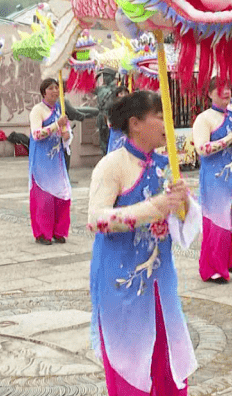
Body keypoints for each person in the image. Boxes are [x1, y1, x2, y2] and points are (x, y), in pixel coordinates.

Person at [88, 90, 197, 395]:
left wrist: (182, 204)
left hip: (161, 282)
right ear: (135, 123)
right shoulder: (112, 165)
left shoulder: (166, 164)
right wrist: (154, 208)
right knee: (131, 360)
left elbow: (180, 222)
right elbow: (95, 219)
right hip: (122, 281)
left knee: (167, 358)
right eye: (159, 116)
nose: (167, 123)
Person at [193, 79, 232, 283]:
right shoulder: (204, 119)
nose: (226, 92)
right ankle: (212, 268)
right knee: (218, 223)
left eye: (229, 88)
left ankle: (229, 259)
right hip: (215, 178)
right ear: (209, 94)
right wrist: (229, 139)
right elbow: (202, 149)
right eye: (221, 89)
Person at [28, 78, 72, 245]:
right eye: (51, 88)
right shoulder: (37, 110)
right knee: (44, 198)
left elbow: (65, 131)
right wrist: (55, 125)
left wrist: (67, 135)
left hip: (57, 161)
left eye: (57, 88)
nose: (55, 91)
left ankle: (58, 231)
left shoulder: (60, 109)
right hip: (41, 161)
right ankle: (42, 233)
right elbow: (36, 135)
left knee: (62, 196)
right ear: (43, 92)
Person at [106, 86, 130, 153]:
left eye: (125, 93)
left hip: (126, 131)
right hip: (117, 130)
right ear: (117, 94)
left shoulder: (131, 104)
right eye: (121, 93)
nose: (124, 95)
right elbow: (109, 117)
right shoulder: (113, 104)